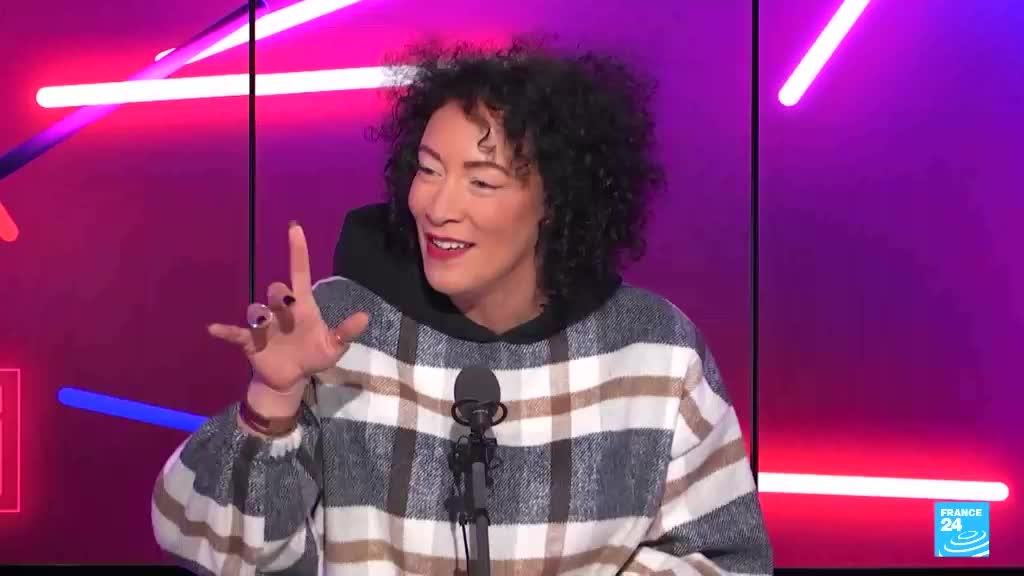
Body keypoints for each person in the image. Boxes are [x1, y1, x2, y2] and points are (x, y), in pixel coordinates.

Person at [151, 41, 773, 575]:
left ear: (555, 201)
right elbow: (210, 550)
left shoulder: (655, 350)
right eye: (429, 171)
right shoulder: (339, 329)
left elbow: (725, 557)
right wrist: (273, 397)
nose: (438, 207)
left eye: (482, 181)